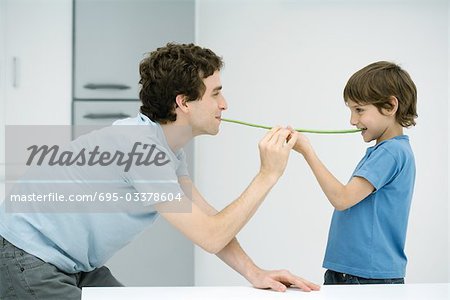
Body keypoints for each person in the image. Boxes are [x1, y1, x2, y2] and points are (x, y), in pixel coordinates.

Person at [0, 43, 319, 299]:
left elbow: (210, 223)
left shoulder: (165, 149)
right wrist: (267, 175)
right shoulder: (142, 149)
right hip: (28, 257)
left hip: (67, 261)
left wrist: (255, 272)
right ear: (184, 102)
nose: (225, 105)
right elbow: (211, 236)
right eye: (216, 93)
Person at [292, 61, 417, 285]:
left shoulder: (390, 152)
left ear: (390, 106)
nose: (352, 121)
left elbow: (342, 199)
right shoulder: (387, 151)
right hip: (355, 272)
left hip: (366, 275)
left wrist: (307, 152)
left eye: (359, 110)